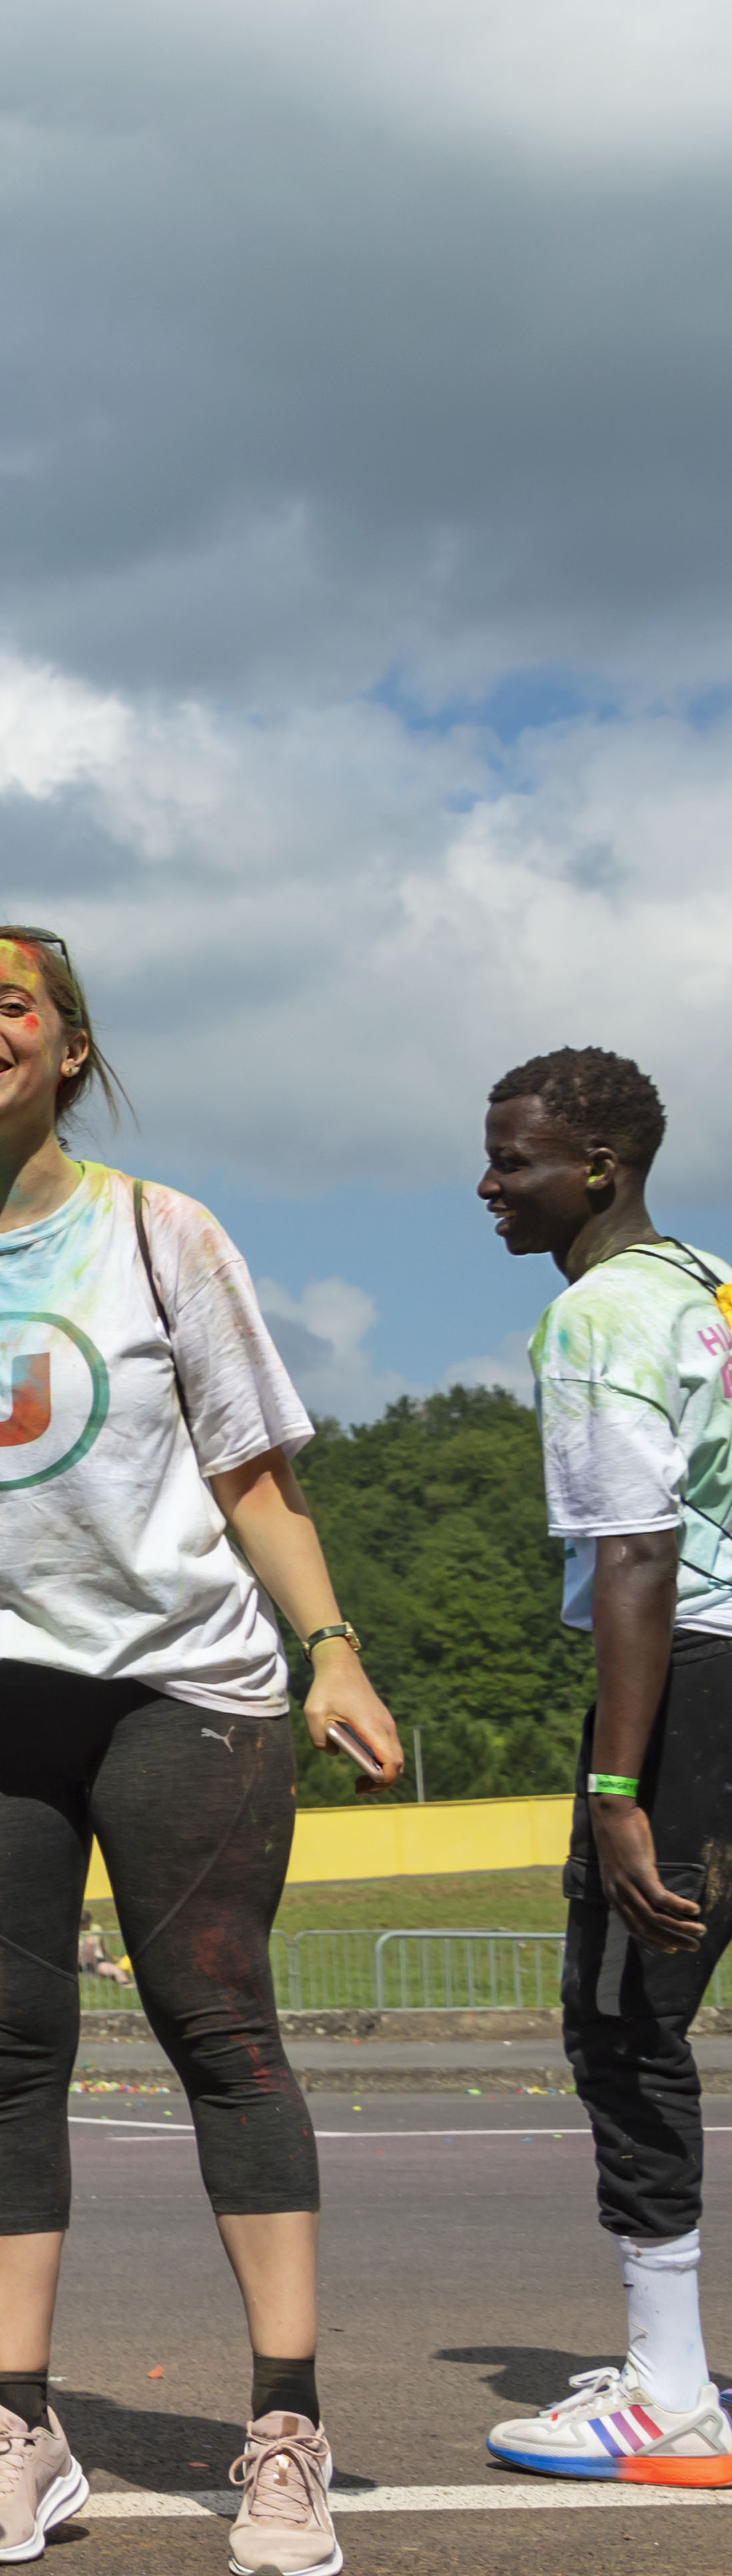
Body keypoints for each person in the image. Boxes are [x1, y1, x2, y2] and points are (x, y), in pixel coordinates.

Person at [0, 928, 396, 2576]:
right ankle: (21, 2429)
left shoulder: (162, 1234)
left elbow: (250, 1472)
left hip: (188, 1684)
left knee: (220, 2028)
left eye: (5, 1004)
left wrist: (331, 1648)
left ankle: (286, 2429)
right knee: (6, 2052)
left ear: (72, 1049)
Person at [473, 1048, 732, 2488]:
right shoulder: (711, 1279)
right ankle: (675, 2367)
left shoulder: (593, 1315)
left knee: (623, 2021)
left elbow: (636, 1551)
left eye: (512, 1159)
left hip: (688, 1677)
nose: (487, 1183)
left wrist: (618, 1790)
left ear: (596, 1167)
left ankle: (671, 2389)